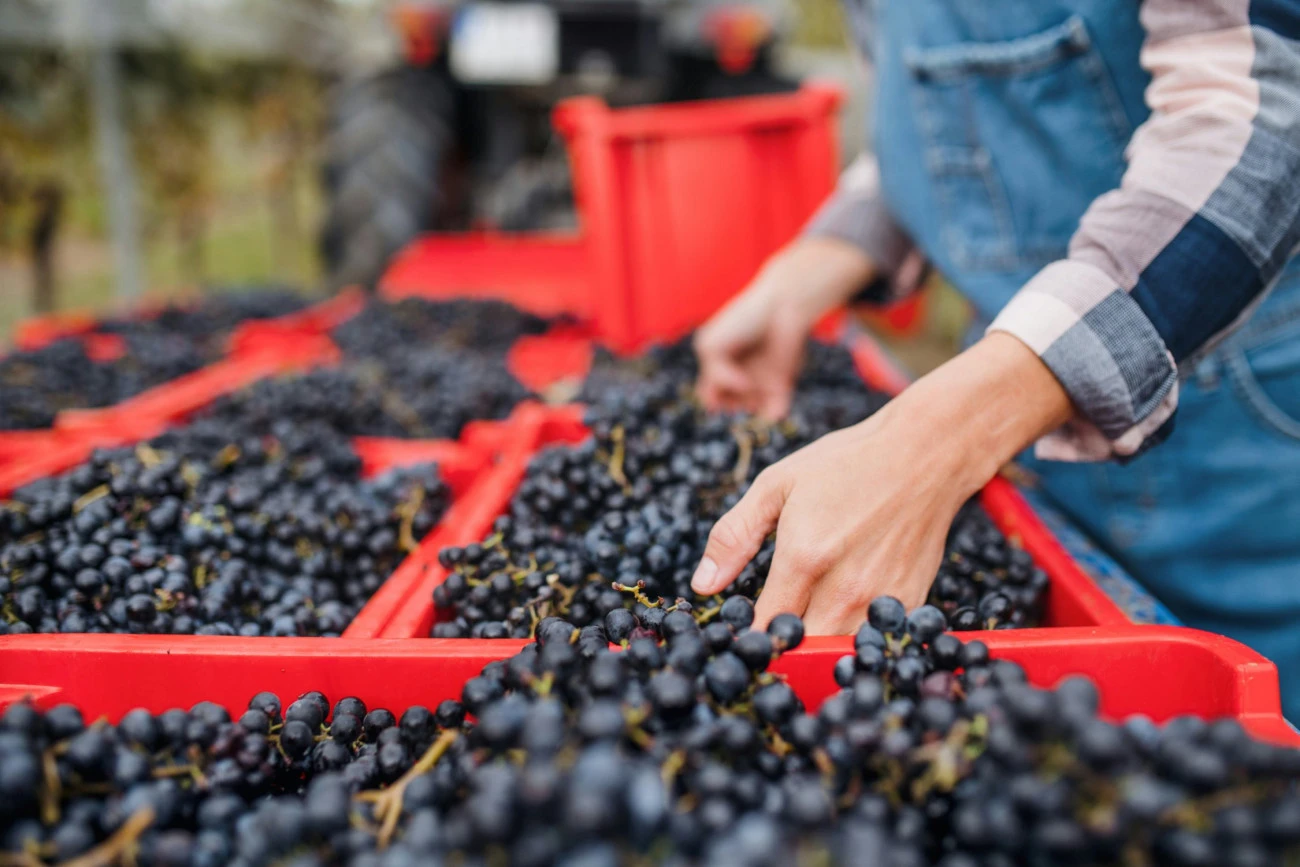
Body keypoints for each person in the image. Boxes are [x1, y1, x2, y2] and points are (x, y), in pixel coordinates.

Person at [691, 0, 1300, 719]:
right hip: (1009, 445)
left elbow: (1263, 115)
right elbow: (933, 130)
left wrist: (931, 440)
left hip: (1232, 448)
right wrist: (819, 264)